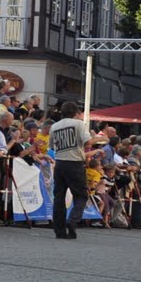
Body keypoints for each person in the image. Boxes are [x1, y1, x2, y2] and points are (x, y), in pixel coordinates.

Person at [49, 101, 96, 239]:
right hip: (75, 163)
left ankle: (59, 230)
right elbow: (87, 143)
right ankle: (72, 220)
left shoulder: (54, 126)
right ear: (76, 113)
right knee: (81, 195)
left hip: (60, 163)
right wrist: (100, 138)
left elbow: (51, 146)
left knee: (59, 197)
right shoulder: (79, 124)